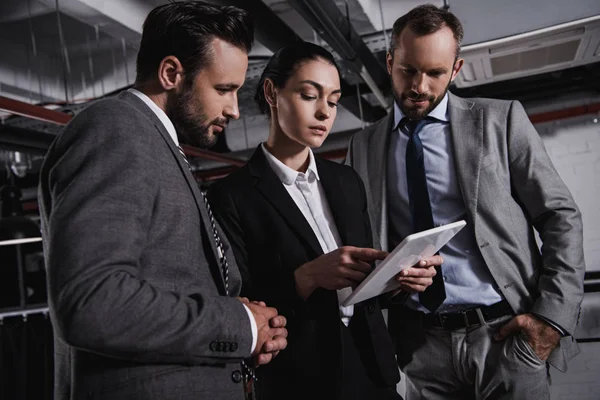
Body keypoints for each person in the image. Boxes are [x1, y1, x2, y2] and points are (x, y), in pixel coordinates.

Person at [37, 2, 288, 399]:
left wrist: (248, 333)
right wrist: (238, 325)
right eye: (224, 89)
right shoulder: (116, 129)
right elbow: (93, 302)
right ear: (171, 73)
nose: (235, 110)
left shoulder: (155, 142)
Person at [345, 4, 586, 399]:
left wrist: (551, 320)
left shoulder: (501, 120)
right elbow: (364, 238)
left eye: (435, 73)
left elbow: (559, 215)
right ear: (390, 62)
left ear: (455, 70)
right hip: (421, 347)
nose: (419, 86)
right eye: (407, 70)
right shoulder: (363, 145)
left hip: (507, 337)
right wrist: (389, 278)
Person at [207, 41, 440, 400]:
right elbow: (237, 304)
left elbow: (363, 288)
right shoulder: (231, 196)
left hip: (374, 372)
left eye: (332, 101)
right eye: (309, 95)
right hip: (301, 380)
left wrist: (398, 279)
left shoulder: (346, 181)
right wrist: (308, 277)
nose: (324, 113)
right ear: (272, 92)